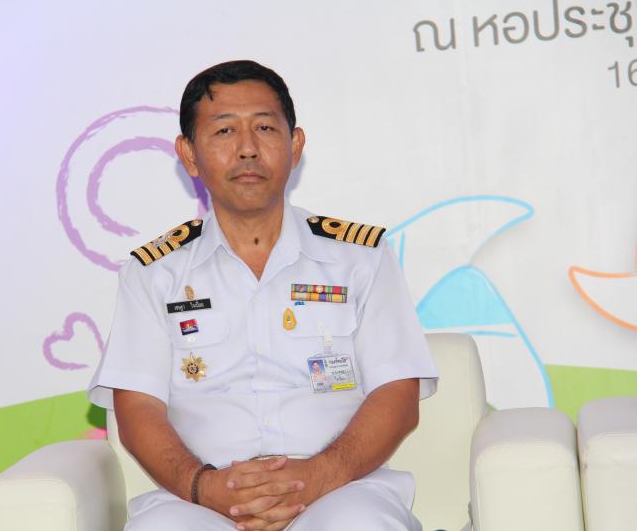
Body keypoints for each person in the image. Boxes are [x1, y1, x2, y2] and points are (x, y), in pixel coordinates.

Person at [88, 60, 438, 531]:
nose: (248, 148)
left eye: (265, 128)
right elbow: (138, 407)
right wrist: (205, 487)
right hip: (201, 497)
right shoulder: (154, 272)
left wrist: (316, 476)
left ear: (295, 146)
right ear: (189, 155)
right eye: (224, 131)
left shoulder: (360, 258)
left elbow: (397, 392)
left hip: (338, 488)